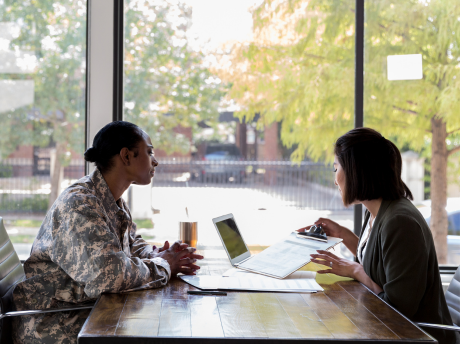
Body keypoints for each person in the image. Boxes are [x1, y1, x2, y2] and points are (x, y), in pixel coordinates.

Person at [12, 121, 203, 344]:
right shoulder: (80, 205)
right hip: (59, 327)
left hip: (90, 314)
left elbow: (130, 243)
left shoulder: (110, 198)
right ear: (126, 156)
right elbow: (109, 276)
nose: (155, 161)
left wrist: (156, 254)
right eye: (149, 152)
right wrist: (165, 265)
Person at [299, 127, 456, 344]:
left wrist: (356, 271)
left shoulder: (400, 222)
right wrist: (343, 234)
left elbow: (397, 309)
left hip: (416, 336)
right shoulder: (377, 211)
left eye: (336, 169)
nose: (335, 180)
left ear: (356, 171)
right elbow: (377, 263)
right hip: (387, 330)